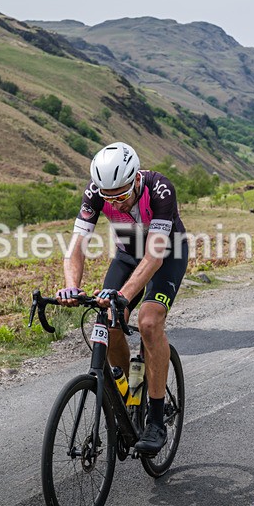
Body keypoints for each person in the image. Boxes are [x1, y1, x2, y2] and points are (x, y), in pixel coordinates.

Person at [56, 142, 188, 454]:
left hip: (167, 255)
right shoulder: (96, 191)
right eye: (108, 197)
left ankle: (155, 420)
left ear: (135, 179)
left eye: (121, 195)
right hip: (128, 255)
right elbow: (77, 244)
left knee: (148, 322)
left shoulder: (160, 189)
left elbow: (156, 255)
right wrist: (71, 287)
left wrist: (124, 296)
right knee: (109, 323)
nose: (115, 201)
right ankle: (132, 395)